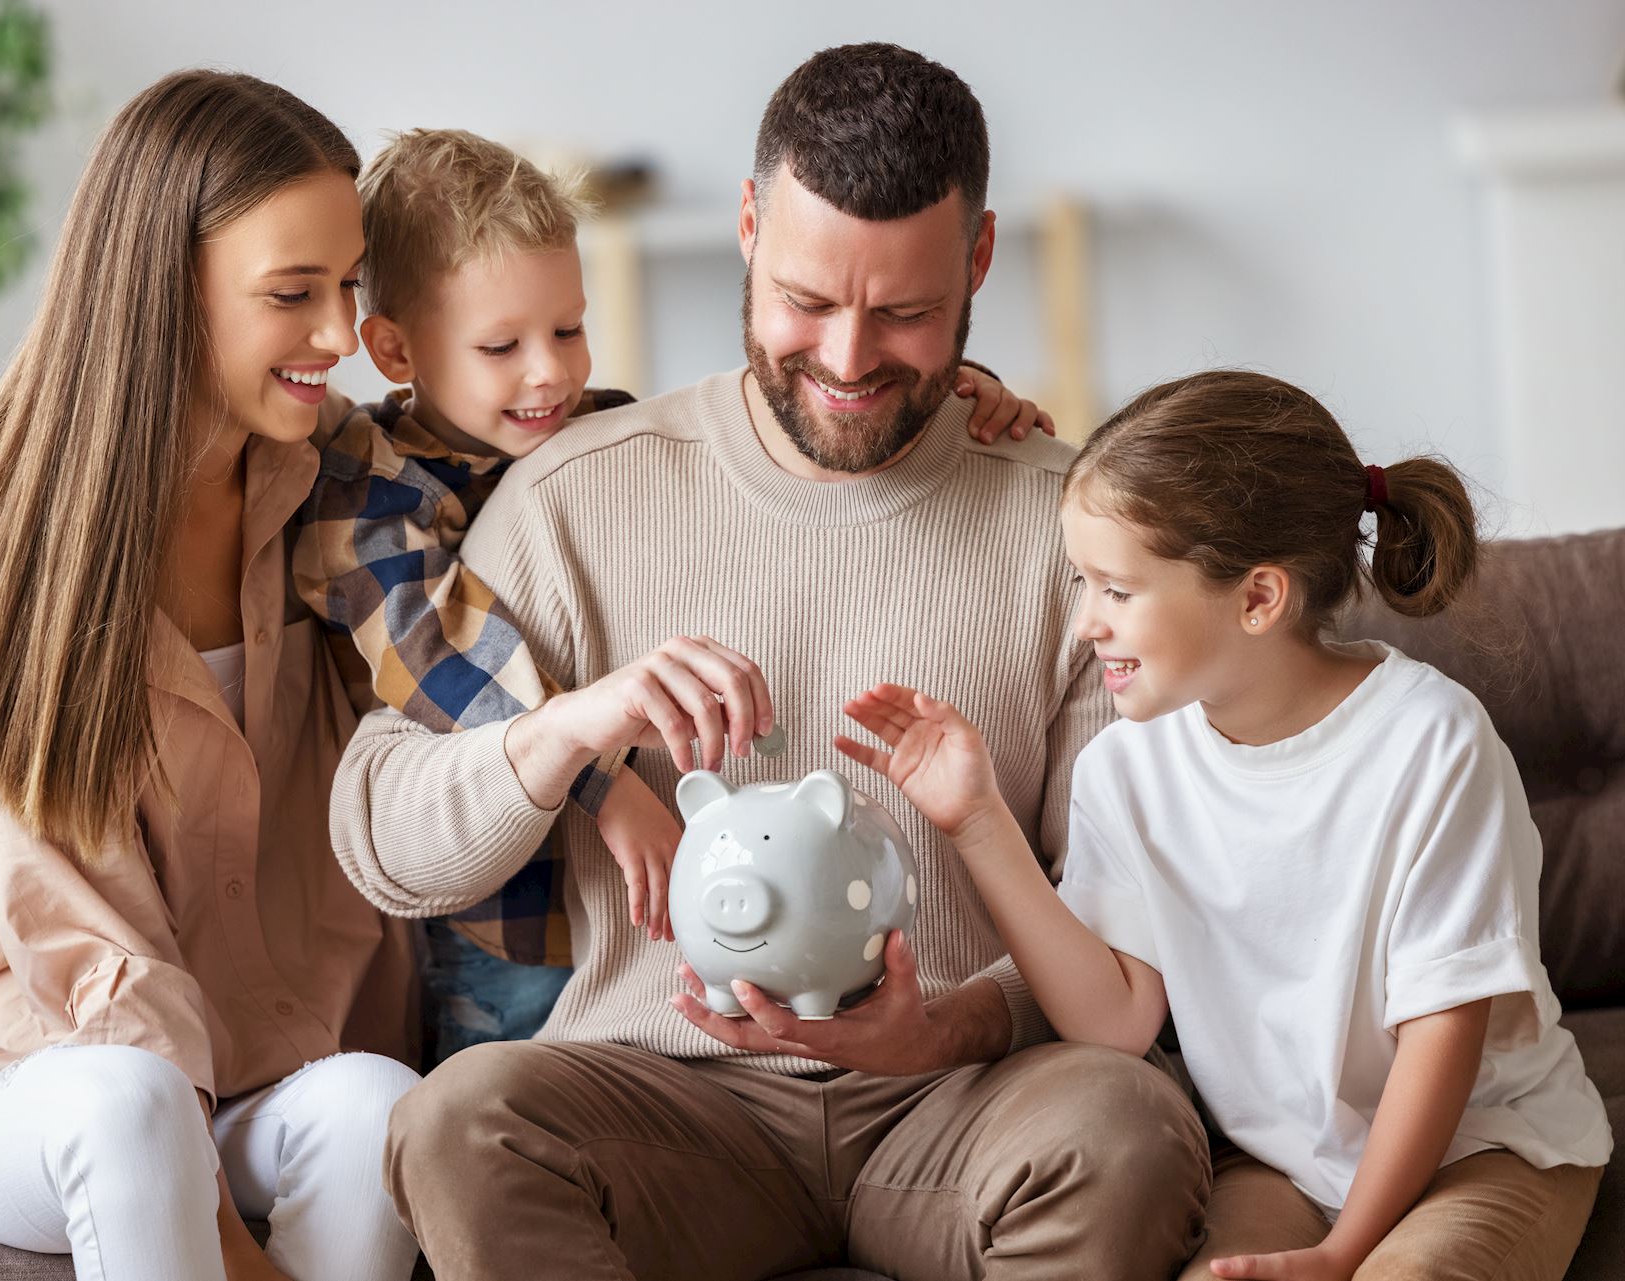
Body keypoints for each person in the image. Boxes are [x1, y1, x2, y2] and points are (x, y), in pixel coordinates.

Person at [332, 44, 1209, 1281]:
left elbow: (1129, 915)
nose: (849, 361)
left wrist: (948, 1024)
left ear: (980, 260)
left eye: (904, 313)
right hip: (664, 1102)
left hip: (968, 1099)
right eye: (807, 301)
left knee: (1126, 1128)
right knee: (458, 1121)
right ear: (748, 228)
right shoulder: (568, 494)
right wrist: (570, 729)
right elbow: (383, 843)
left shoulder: (1070, 525)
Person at [293, 126, 1048, 1063]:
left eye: (568, 329)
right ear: (394, 348)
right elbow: (450, 670)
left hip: (621, 919)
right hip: (505, 917)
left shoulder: (591, 435)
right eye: (502, 345)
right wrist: (609, 788)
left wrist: (952, 391)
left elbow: (788, 404)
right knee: (505, 1084)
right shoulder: (370, 503)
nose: (552, 373)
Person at [0, 71, 420, 1281]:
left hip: (256, 1078)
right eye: (292, 294)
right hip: (14, 1090)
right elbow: (82, 943)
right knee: (128, 1102)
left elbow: (521, 446)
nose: (338, 335)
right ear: (169, 286)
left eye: (349, 285)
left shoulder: (332, 490)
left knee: (374, 1106)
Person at [846, 369, 1611, 1281]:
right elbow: (1116, 1019)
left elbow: (1441, 1040)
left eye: (1116, 590)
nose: (1086, 622)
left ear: (1258, 599)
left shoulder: (1430, 743)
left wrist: (1341, 1253)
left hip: (1483, 1148)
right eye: (1079, 583)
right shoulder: (1126, 770)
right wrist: (976, 821)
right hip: (1286, 1161)